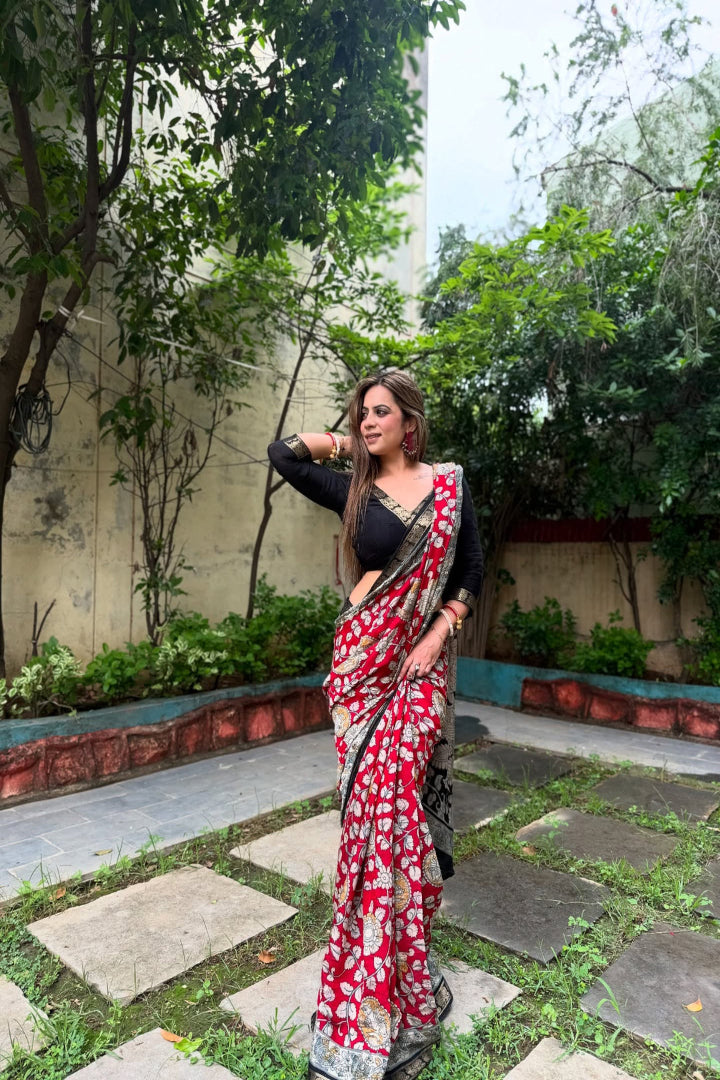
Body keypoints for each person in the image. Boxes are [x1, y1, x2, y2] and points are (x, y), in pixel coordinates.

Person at [267, 370, 483, 1080]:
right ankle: (381, 994)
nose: (367, 421)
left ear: (410, 423)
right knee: (373, 827)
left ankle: (400, 992)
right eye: (361, 412)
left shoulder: (450, 486)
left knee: (394, 818)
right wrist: (343, 440)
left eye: (380, 412)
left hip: (419, 673)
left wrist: (435, 636)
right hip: (360, 672)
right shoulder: (354, 489)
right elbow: (283, 455)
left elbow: (471, 576)